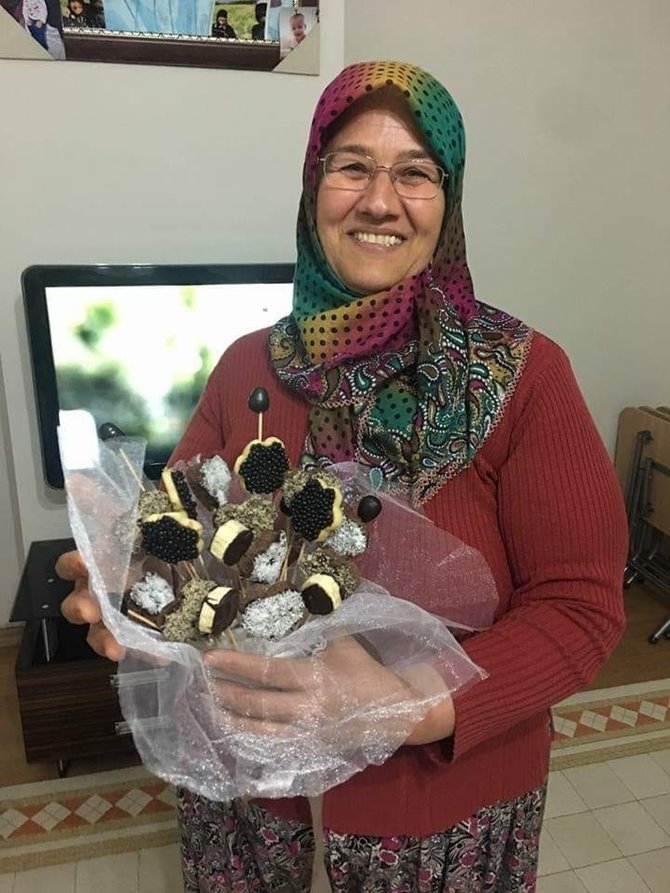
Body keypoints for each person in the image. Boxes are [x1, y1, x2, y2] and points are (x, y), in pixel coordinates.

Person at [58, 61, 628, 892]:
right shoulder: (246, 367)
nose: (380, 200)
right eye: (352, 166)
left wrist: (409, 705)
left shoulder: (524, 377)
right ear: (313, 185)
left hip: (435, 813)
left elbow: (579, 605)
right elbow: (183, 540)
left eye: (415, 173)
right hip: (250, 797)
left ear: (449, 198)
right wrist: (130, 579)